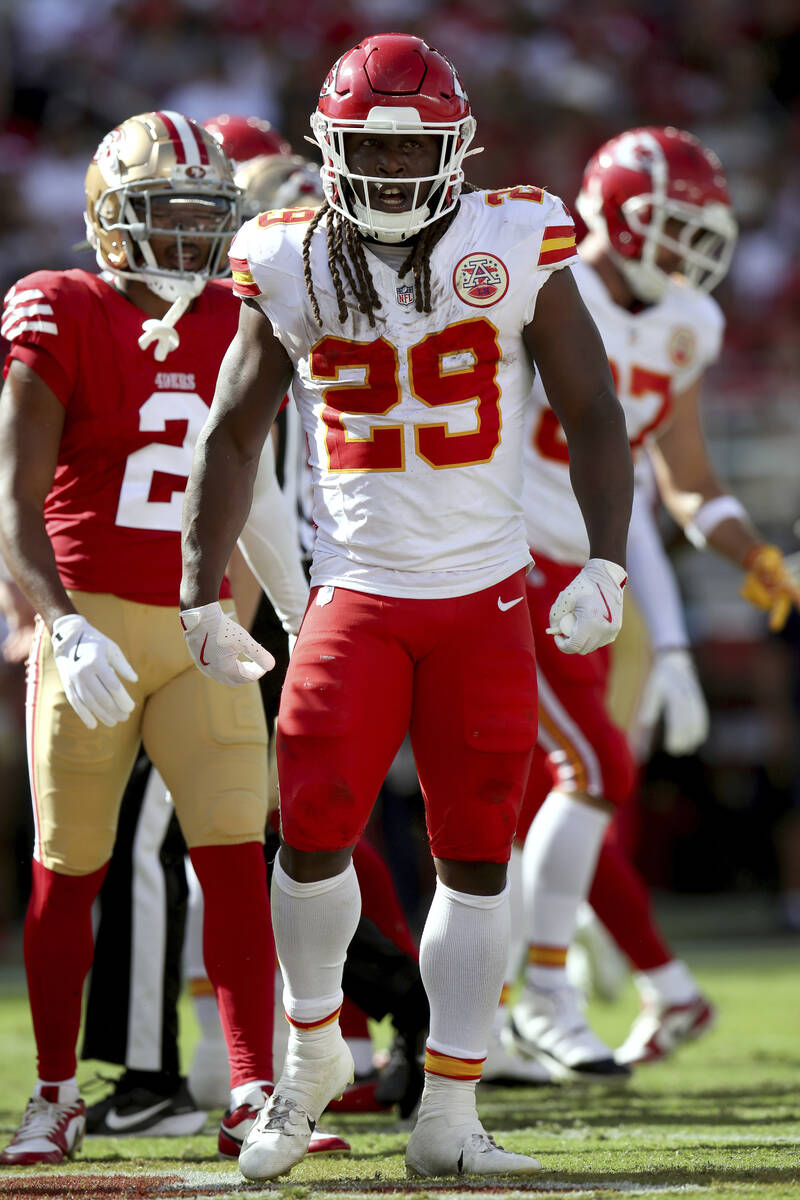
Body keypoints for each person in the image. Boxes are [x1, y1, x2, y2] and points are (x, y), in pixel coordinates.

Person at [179, 32, 633, 1182]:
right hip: (357, 590)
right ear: (326, 149)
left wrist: (605, 561)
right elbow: (234, 430)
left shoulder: (513, 236)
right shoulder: (282, 254)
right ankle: (309, 1053)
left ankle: (449, 1110)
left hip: (481, 593)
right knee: (313, 814)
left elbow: (589, 409)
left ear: (454, 150)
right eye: (365, 153)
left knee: (475, 851)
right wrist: (196, 591)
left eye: (408, 152)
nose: (385, 174)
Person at [0, 109, 298, 1167]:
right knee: (68, 867)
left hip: (197, 621)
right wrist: (59, 627)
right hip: (94, 623)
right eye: (160, 215)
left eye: (200, 217)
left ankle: (255, 1093)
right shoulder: (57, 306)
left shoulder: (238, 313)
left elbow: (254, 492)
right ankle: (50, 1095)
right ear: (107, 219)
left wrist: (297, 611)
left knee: (230, 857)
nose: (184, 238)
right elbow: (12, 500)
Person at [507, 126, 800, 1077]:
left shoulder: (687, 324)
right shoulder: (545, 278)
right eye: (669, 227)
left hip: (587, 575)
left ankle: (519, 1003)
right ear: (613, 211)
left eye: (696, 232)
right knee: (586, 772)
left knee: (542, 792)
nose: (687, 252)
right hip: (503, 558)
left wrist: (754, 554)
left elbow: (688, 483)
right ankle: (545, 989)